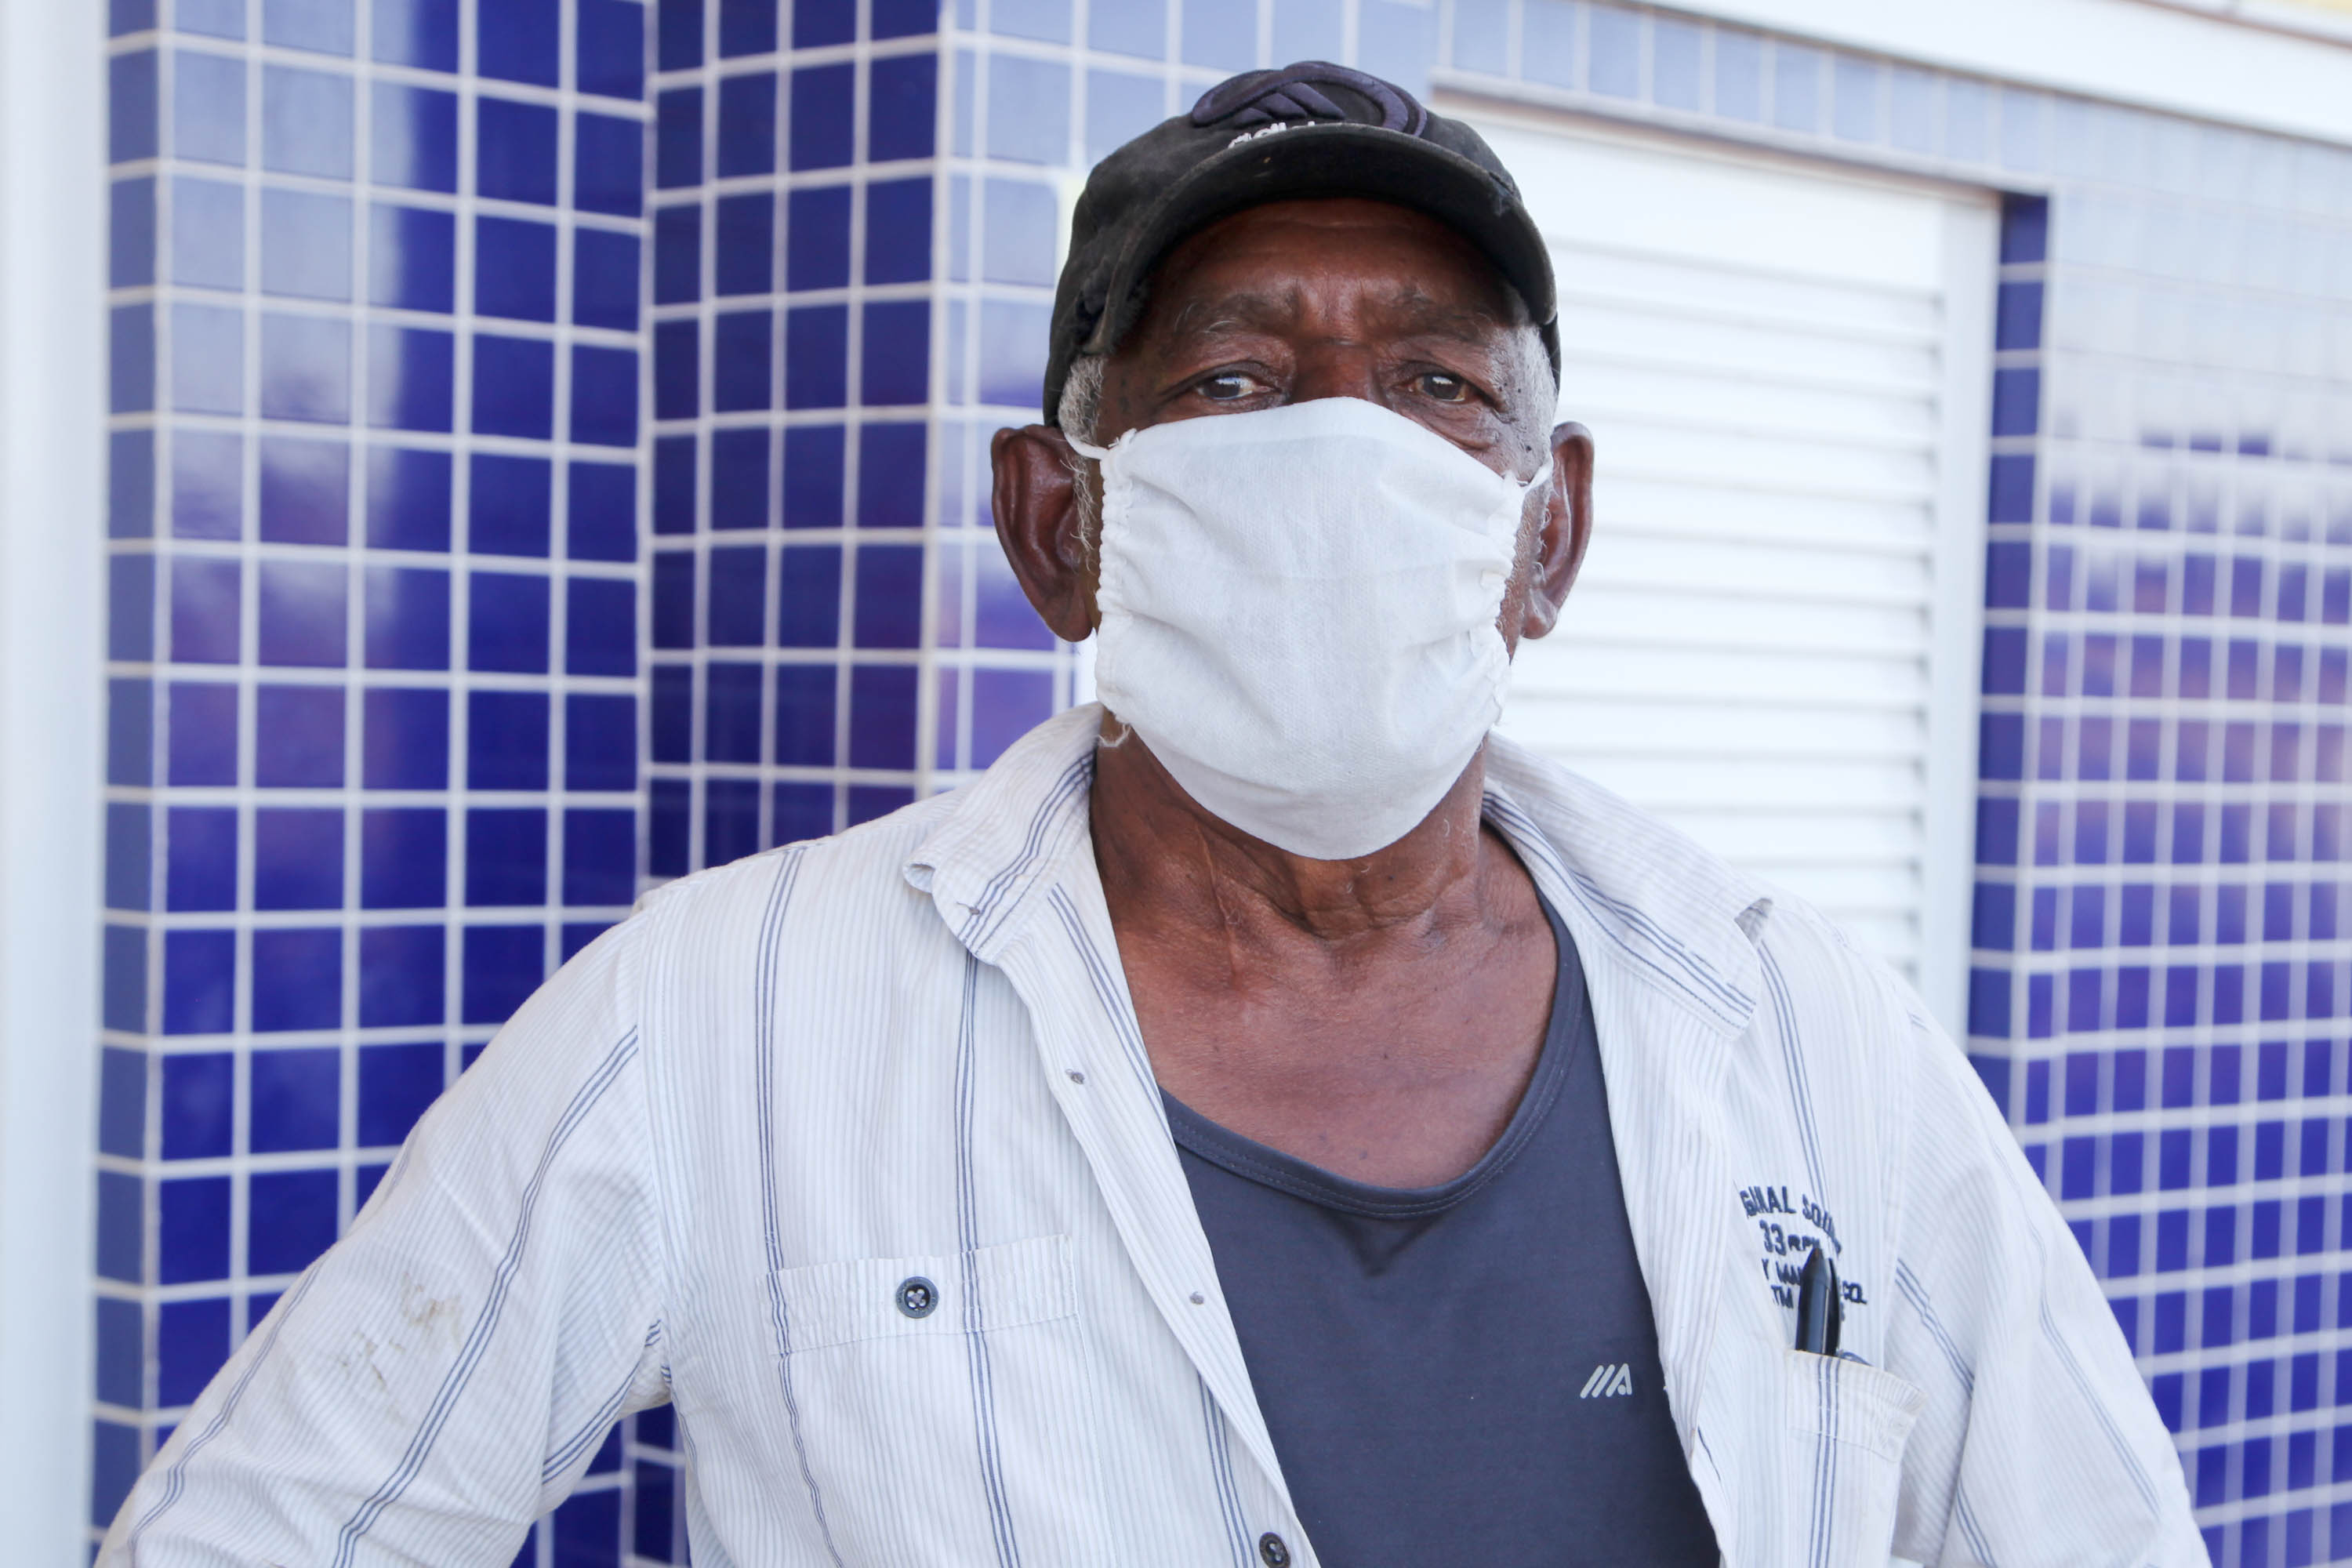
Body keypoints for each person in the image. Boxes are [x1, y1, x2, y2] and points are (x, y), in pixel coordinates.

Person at [103, 62, 2202, 1568]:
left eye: (1439, 387)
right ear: (1058, 523)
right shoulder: (720, 1019)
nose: (1342, 451)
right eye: (1229, 380)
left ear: (1545, 535)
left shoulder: (1806, 1030)